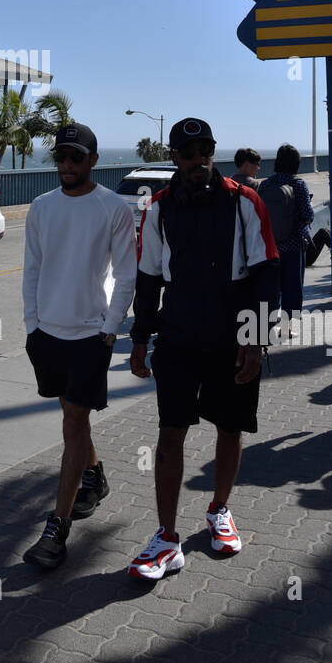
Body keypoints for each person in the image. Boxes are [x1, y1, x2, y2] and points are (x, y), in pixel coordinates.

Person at [126, 118, 279, 580]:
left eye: (206, 150)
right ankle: (167, 539)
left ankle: (219, 510)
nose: (199, 160)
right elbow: (149, 279)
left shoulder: (243, 200)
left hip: (232, 333)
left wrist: (254, 341)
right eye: (188, 153)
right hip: (177, 334)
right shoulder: (158, 209)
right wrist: (138, 340)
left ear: (215, 152)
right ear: (173, 157)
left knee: (230, 429)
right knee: (170, 432)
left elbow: (266, 271)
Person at [22, 122, 137, 570]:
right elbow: (32, 268)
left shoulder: (113, 208)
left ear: (93, 160)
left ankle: (57, 529)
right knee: (73, 416)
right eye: (61, 156)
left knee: (72, 422)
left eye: (76, 156)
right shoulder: (41, 207)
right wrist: (32, 325)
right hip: (46, 335)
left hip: (90, 336)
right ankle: (95, 476)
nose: (66, 164)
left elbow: (126, 274)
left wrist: (111, 329)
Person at [258, 145, 313, 321]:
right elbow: (308, 215)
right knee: (293, 286)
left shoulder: (266, 184)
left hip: (270, 245)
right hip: (294, 242)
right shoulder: (298, 184)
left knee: (273, 286)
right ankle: (288, 325)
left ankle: (269, 321)